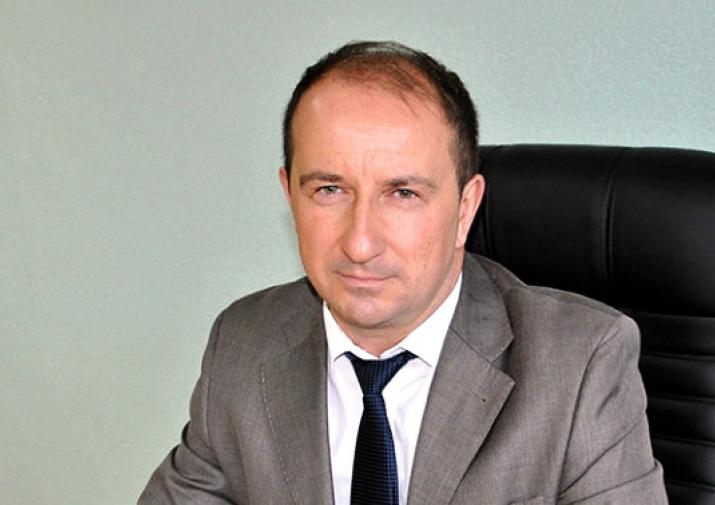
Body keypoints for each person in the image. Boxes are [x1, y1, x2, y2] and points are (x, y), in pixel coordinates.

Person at [139, 41, 668, 504]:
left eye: (403, 194)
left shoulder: (579, 362)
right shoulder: (243, 342)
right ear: (290, 195)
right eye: (329, 190)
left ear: (464, 208)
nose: (360, 243)